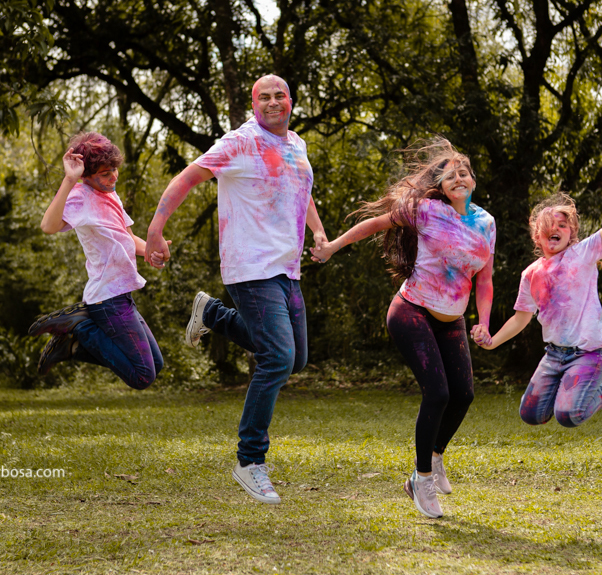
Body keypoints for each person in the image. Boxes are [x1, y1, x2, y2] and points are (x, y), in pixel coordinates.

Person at [145, 74, 327, 505]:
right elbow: (185, 179)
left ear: (291, 99)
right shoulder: (239, 142)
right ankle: (250, 462)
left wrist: (318, 232)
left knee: (295, 358)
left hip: (287, 268)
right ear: (253, 103)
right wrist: (155, 229)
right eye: (263, 96)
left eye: (279, 94)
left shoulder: (296, 144)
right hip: (250, 267)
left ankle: (211, 314)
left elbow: (302, 190)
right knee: (278, 358)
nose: (272, 102)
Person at [311, 138, 495, 519]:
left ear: (473, 181)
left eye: (464, 172)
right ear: (441, 186)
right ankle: (421, 478)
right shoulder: (425, 210)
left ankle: (435, 456)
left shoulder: (486, 223)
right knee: (438, 393)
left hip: (453, 319)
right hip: (411, 310)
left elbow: (486, 280)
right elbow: (374, 224)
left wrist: (485, 323)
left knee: (463, 395)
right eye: (450, 174)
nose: (459, 177)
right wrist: (332, 247)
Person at [472, 157, 602, 429]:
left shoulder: (583, 254)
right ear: (537, 236)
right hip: (554, 355)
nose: (556, 228)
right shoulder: (531, 274)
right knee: (531, 414)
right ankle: (569, 392)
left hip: (590, 352)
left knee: (569, 415)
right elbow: (520, 318)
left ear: (571, 232)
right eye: (549, 224)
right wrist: (492, 341)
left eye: (563, 225)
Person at [29, 132, 163, 390]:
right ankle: (81, 329)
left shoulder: (110, 193)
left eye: (114, 170)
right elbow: (48, 226)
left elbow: (126, 237)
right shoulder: (80, 196)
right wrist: (69, 179)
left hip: (122, 295)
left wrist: (152, 251)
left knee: (156, 365)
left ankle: (73, 346)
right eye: (104, 173)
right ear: (85, 176)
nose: (113, 177)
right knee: (143, 376)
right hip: (107, 298)